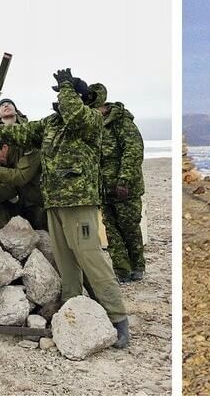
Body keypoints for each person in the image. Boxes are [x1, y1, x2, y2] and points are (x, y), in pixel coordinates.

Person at [0, 70, 130, 348]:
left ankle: (117, 317)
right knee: (66, 263)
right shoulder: (51, 123)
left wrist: (67, 86)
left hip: (79, 202)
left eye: (64, 94)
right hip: (54, 202)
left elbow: (75, 112)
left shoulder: (89, 119)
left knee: (92, 260)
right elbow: (22, 132)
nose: (59, 99)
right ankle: (73, 314)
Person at [91, 83, 146, 282]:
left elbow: (133, 151)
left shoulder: (121, 121)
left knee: (129, 227)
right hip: (103, 188)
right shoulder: (91, 123)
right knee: (112, 231)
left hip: (125, 188)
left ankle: (137, 265)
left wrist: (124, 180)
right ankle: (122, 270)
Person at [0, 97, 46, 229]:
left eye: (10, 104)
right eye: (2, 105)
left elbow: (20, 177)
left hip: (42, 201)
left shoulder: (30, 137)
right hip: (22, 200)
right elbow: (10, 186)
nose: (6, 105)